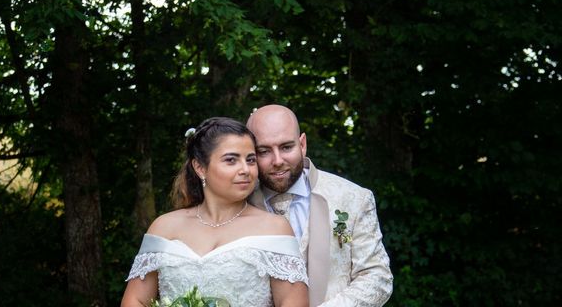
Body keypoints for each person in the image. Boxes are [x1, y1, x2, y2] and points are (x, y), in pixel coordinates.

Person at [121, 117, 309, 307]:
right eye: (231, 160)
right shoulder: (163, 227)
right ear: (200, 168)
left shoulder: (274, 228)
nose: (245, 169)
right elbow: (135, 300)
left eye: (250, 160)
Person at [247, 105, 393, 307]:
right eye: (264, 151)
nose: (278, 160)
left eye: (286, 147)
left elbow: (377, 276)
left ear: (303, 144)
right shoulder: (237, 203)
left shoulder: (353, 198)